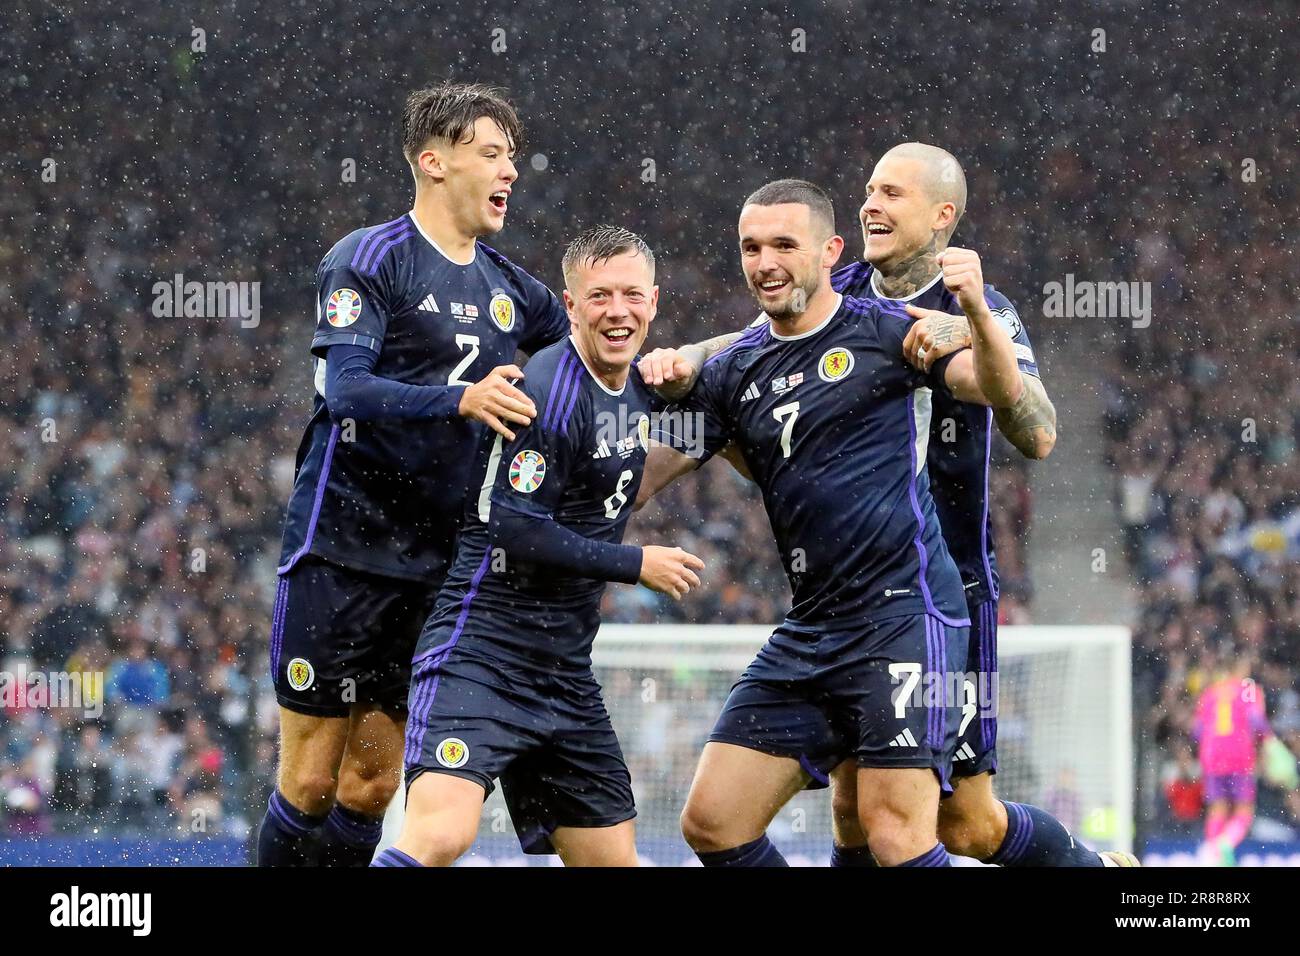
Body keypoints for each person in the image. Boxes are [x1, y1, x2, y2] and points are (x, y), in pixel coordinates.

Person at [640, 179, 1025, 866]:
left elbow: (997, 389)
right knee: (712, 820)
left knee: (898, 833)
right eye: (751, 248)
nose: (766, 262)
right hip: (813, 627)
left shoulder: (888, 335)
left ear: (829, 251)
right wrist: (596, 391)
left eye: (785, 244)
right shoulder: (735, 371)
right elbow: (639, 479)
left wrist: (974, 309)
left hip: (906, 614)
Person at [258, 82, 570, 867]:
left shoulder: (512, 289)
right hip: (341, 550)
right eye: (492, 154)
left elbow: (586, 358)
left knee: (372, 781)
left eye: (513, 158)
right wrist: (460, 398)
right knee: (311, 781)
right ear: (433, 162)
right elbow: (346, 389)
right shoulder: (370, 257)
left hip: (435, 567)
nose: (510, 172)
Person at [825, 143, 1130, 866]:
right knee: (851, 802)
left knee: (965, 825)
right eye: (868, 188)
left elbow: (1042, 433)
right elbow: (751, 348)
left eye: (891, 193)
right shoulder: (831, 292)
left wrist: (977, 327)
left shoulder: (983, 307)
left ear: (942, 216)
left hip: (948, 591)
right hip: (846, 588)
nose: (870, 203)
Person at [373, 226, 703, 867]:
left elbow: (631, 476)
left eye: (632, 295)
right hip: (484, 653)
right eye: (599, 295)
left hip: (563, 674)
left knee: (614, 862)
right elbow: (516, 529)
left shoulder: (637, 386)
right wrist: (639, 563)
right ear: (570, 304)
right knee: (440, 836)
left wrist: (691, 368)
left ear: (655, 302)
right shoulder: (548, 390)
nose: (618, 310)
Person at [1193, 657, 1274, 865]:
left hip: (1211, 757)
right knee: (1244, 809)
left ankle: (1212, 853)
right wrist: (1268, 741)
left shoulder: (1210, 693)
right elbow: (1256, 720)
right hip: (1239, 756)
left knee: (1217, 808)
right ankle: (1226, 842)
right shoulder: (1248, 689)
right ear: (1242, 667)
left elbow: (1197, 731)